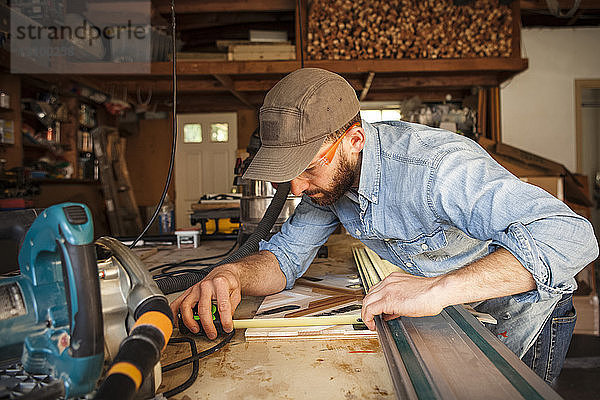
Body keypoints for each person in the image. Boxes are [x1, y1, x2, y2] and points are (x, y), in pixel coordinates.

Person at [171, 68, 598, 385]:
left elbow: (572, 236)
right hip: (459, 313)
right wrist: (232, 274)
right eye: (288, 172)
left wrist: (436, 289)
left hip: (523, 311)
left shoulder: (436, 167)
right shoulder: (331, 187)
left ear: (354, 140)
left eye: (308, 168)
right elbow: (284, 259)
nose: (297, 187)